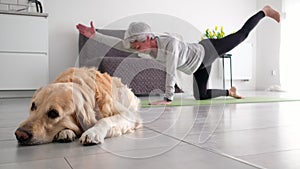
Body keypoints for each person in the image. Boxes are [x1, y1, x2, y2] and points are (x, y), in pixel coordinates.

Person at [76, 5, 280, 105]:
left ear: (147, 37)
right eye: (134, 45)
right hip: (198, 66)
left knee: (241, 36)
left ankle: (264, 11)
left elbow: (171, 71)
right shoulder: (144, 46)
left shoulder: (169, 45)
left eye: (137, 44)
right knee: (201, 97)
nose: (135, 48)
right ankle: (230, 92)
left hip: (207, 51)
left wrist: (168, 98)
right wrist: (95, 35)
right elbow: (119, 44)